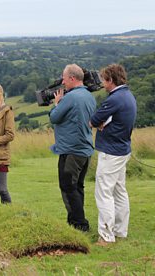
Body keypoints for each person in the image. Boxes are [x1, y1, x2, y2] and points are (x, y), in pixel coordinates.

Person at [90, 64, 137, 245]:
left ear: (111, 80)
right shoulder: (128, 96)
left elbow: (93, 121)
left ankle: (106, 236)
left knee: (104, 192)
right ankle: (120, 231)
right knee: (119, 191)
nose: (102, 83)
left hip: (111, 151)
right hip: (122, 149)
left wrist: (100, 123)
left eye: (104, 80)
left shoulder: (114, 99)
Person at [49, 64, 96, 232]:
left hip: (71, 150)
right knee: (78, 187)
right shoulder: (89, 96)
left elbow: (54, 117)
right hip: (85, 149)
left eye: (64, 78)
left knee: (68, 186)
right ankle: (74, 222)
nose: (62, 81)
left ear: (72, 78)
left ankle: (80, 224)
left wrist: (57, 103)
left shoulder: (70, 97)